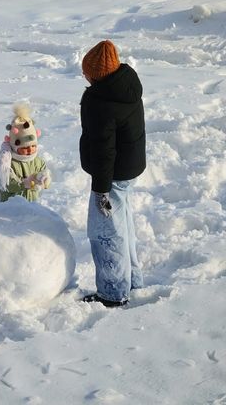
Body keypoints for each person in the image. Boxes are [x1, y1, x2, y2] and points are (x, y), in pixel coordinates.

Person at [79, 40, 146, 308]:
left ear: (97, 75)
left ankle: (113, 292)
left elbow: (104, 150)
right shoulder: (126, 85)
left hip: (113, 175)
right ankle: (133, 280)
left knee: (106, 232)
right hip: (129, 168)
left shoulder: (102, 102)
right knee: (123, 225)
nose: (84, 76)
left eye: (87, 73)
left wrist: (101, 190)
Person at [0, 103, 52, 202]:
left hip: (31, 204)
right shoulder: (8, 162)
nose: (30, 150)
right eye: (25, 147)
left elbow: (43, 172)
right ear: (15, 146)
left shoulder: (38, 162)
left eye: (33, 146)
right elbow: (7, 184)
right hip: (11, 207)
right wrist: (24, 184)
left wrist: (45, 178)